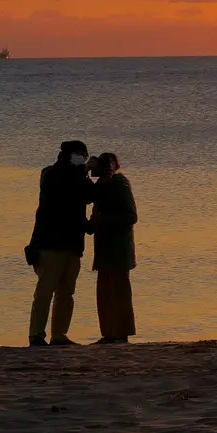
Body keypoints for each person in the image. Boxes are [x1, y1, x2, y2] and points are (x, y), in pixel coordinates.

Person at [25, 140, 94, 346]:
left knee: (66, 293)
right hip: (49, 244)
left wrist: (85, 172)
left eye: (84, 155)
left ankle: (59, 335)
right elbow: (65, 188)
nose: (82, 157)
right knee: (45, 291)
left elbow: (89, 195)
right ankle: (36, 334)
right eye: (80, 154)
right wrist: (82, 171)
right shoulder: (52, 174)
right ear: (68, 154)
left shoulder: (77, 175)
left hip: (72, 244)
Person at [87, 153, 138, 342]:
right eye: (102, 165)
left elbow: (131, 216)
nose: (106, 169)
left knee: (120, 292)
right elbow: (89, 203)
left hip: (118, 249)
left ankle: (121, 333)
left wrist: (104, 221)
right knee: (104, 294)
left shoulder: (121, 184)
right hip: (104, 249)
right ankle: (108, 333)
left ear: (117, 166)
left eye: (109, 164)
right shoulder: (100, 186)